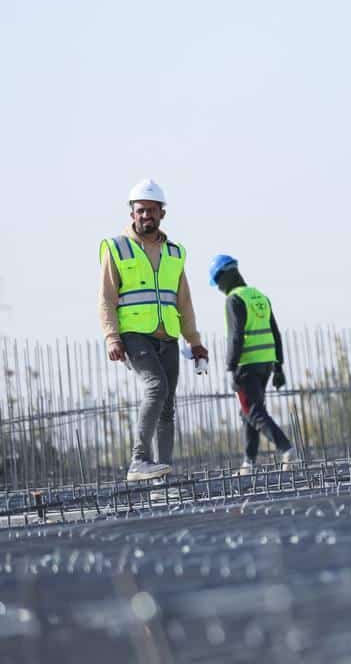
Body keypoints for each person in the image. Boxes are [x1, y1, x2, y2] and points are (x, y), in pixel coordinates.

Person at [99, 179, 208, 482]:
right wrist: (112, 337)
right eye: (140, 210)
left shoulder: (174, 252)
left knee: (167, 405)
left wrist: (194, 341)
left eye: (151, 210)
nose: (146, 215)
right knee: (156, 387)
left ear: (162, 213)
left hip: (167, 336)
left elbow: (184, 301)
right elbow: (106, 298)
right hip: (134, 335)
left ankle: (162, 475)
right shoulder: (117, 248)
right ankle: (139, 460)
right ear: (132, 213)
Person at [208, 254, 295, 473]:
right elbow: (275, 333)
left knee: (253, 411)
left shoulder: (234, 299)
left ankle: (286, 448)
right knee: (248, 412)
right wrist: (278, 366)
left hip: (246, 365)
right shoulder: (259, 296)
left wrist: (231, 367)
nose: (218, 287)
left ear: (226, 275)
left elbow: (235, 336)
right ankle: (249, 462)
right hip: (265, 363)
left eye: (217, 281)